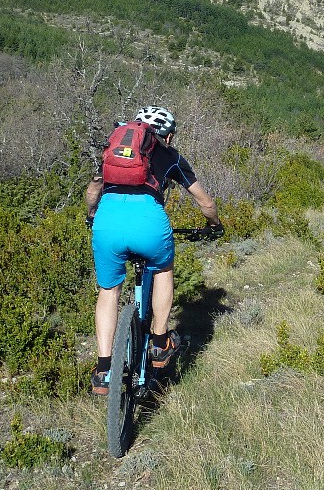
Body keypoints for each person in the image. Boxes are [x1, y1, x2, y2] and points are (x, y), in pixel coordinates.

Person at [86, 105, 224, 395]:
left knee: (108, 291)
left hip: (107, 221)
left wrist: (91, 216)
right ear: (168, 136)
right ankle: (160, 344)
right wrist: (214, 225)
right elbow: (205, 202)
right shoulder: (171, 157)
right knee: (163, 269)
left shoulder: (118, 151)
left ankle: (103, 369)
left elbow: (91, 192)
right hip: (149, 223)